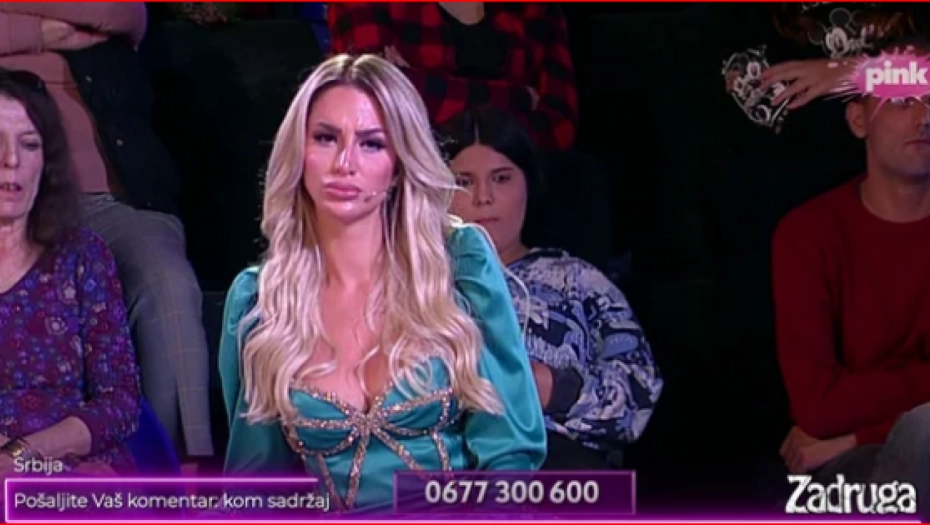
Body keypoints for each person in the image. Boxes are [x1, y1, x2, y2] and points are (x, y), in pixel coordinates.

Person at [219, 54, 547, 512]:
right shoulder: (259, 301)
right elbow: (256, 487)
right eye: (326, 138)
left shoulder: (460, 263)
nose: (345, 163)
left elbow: (510, 454)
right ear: (299, 152)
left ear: (398, 164)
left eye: (372, 143)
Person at [0, 3, 213, 463]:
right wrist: (42, 32)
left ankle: (178, 471)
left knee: (168, 283)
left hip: (114, 196)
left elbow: (122, 11)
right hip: (14, 200)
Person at [439, 107, 663, 470]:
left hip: (560, 465)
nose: (484, 198)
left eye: (501, 179)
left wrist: (554, 390)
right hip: (444, 465)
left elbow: (640, 391)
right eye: (464, 182)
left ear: (527, 184)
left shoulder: (579, 281)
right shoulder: (413, 285)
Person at [772, 36, 930, 517]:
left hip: (849, 442)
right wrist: (864, 440)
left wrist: (859, 432)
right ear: (859, 121)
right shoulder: (807, 234)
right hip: (847, 467)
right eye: (902, 101)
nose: (924, 118)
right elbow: (818, 407)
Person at [0, 68, 141, 485]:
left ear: (47, 161)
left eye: (29, 144)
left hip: (70, 465)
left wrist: (24, 455)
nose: (12, 160)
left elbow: (121, 402)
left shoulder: (83, 257)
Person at [327, 2, 577, 152]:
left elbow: (560, 126)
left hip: (515, 174)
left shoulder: (534, 7)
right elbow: (377, 97)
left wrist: (422, 86)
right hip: (411, 172)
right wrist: (519, 98)